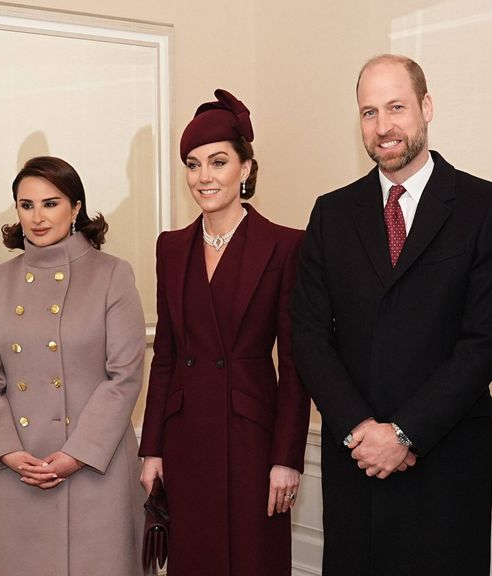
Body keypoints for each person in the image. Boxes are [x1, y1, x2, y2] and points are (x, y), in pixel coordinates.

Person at [292, 54, 492, 575]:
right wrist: (360, 430)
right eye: (369, 112)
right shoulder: (331, 213)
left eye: (396, 107)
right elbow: (308, 335)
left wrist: (405, 433)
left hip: (444, 458)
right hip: (356, 460)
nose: (383, 126)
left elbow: (484, 340)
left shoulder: (485, 207)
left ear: (427, 107)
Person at [138, 89, 310, 576]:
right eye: (193, 165)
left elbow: (295, 364)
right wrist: (152, 447)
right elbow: (166, 355)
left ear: (246, 168)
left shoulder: (285, 245)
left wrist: (287, 457)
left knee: (254, 561)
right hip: (185, 436)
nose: (203, 177)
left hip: (254, 442)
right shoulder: (171, 248)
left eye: (218, 162)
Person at [0, 156, 146, 575]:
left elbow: (124, 375)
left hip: (96, 468)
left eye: (50, 203)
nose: (37, 217)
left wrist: (76, 454)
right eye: (26, 205)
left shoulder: (112, 274)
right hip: (22, 470)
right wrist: (9, 450)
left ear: (76, 207)